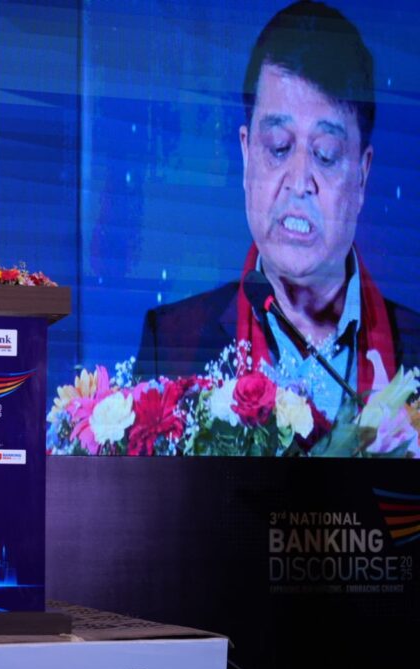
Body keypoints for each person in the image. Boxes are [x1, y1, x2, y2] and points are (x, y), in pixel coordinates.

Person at [135, 1, 420, 419]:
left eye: (326, 154)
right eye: (279, 147)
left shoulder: (413, 350)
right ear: (247, 154)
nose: (299, 181)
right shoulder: (173, 345)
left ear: (362, 176)